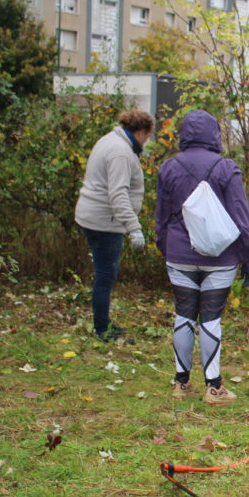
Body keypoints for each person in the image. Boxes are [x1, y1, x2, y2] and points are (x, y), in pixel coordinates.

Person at [155, 109, 249, 405]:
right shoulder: (226, 168)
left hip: (179, 254)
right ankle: (214, 388)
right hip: (220, 258)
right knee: (211, 319)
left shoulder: (169, 168)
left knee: (184, 314)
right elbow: (241, 217)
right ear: (214, 133)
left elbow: (160, 217)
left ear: (184, 133)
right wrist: (248, 258)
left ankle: (180, 384)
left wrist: (166, 247)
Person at [75, 109, 155, 342]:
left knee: (104, 274)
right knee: (105, 276)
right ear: (140, 131)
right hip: (104, 221)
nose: (146, 141)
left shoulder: (109, 140)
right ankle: (103, 330)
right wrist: (134, 227)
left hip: (94, 216)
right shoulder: (121, 152)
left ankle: (103, 323)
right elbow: (118, 194)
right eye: (147, 136)